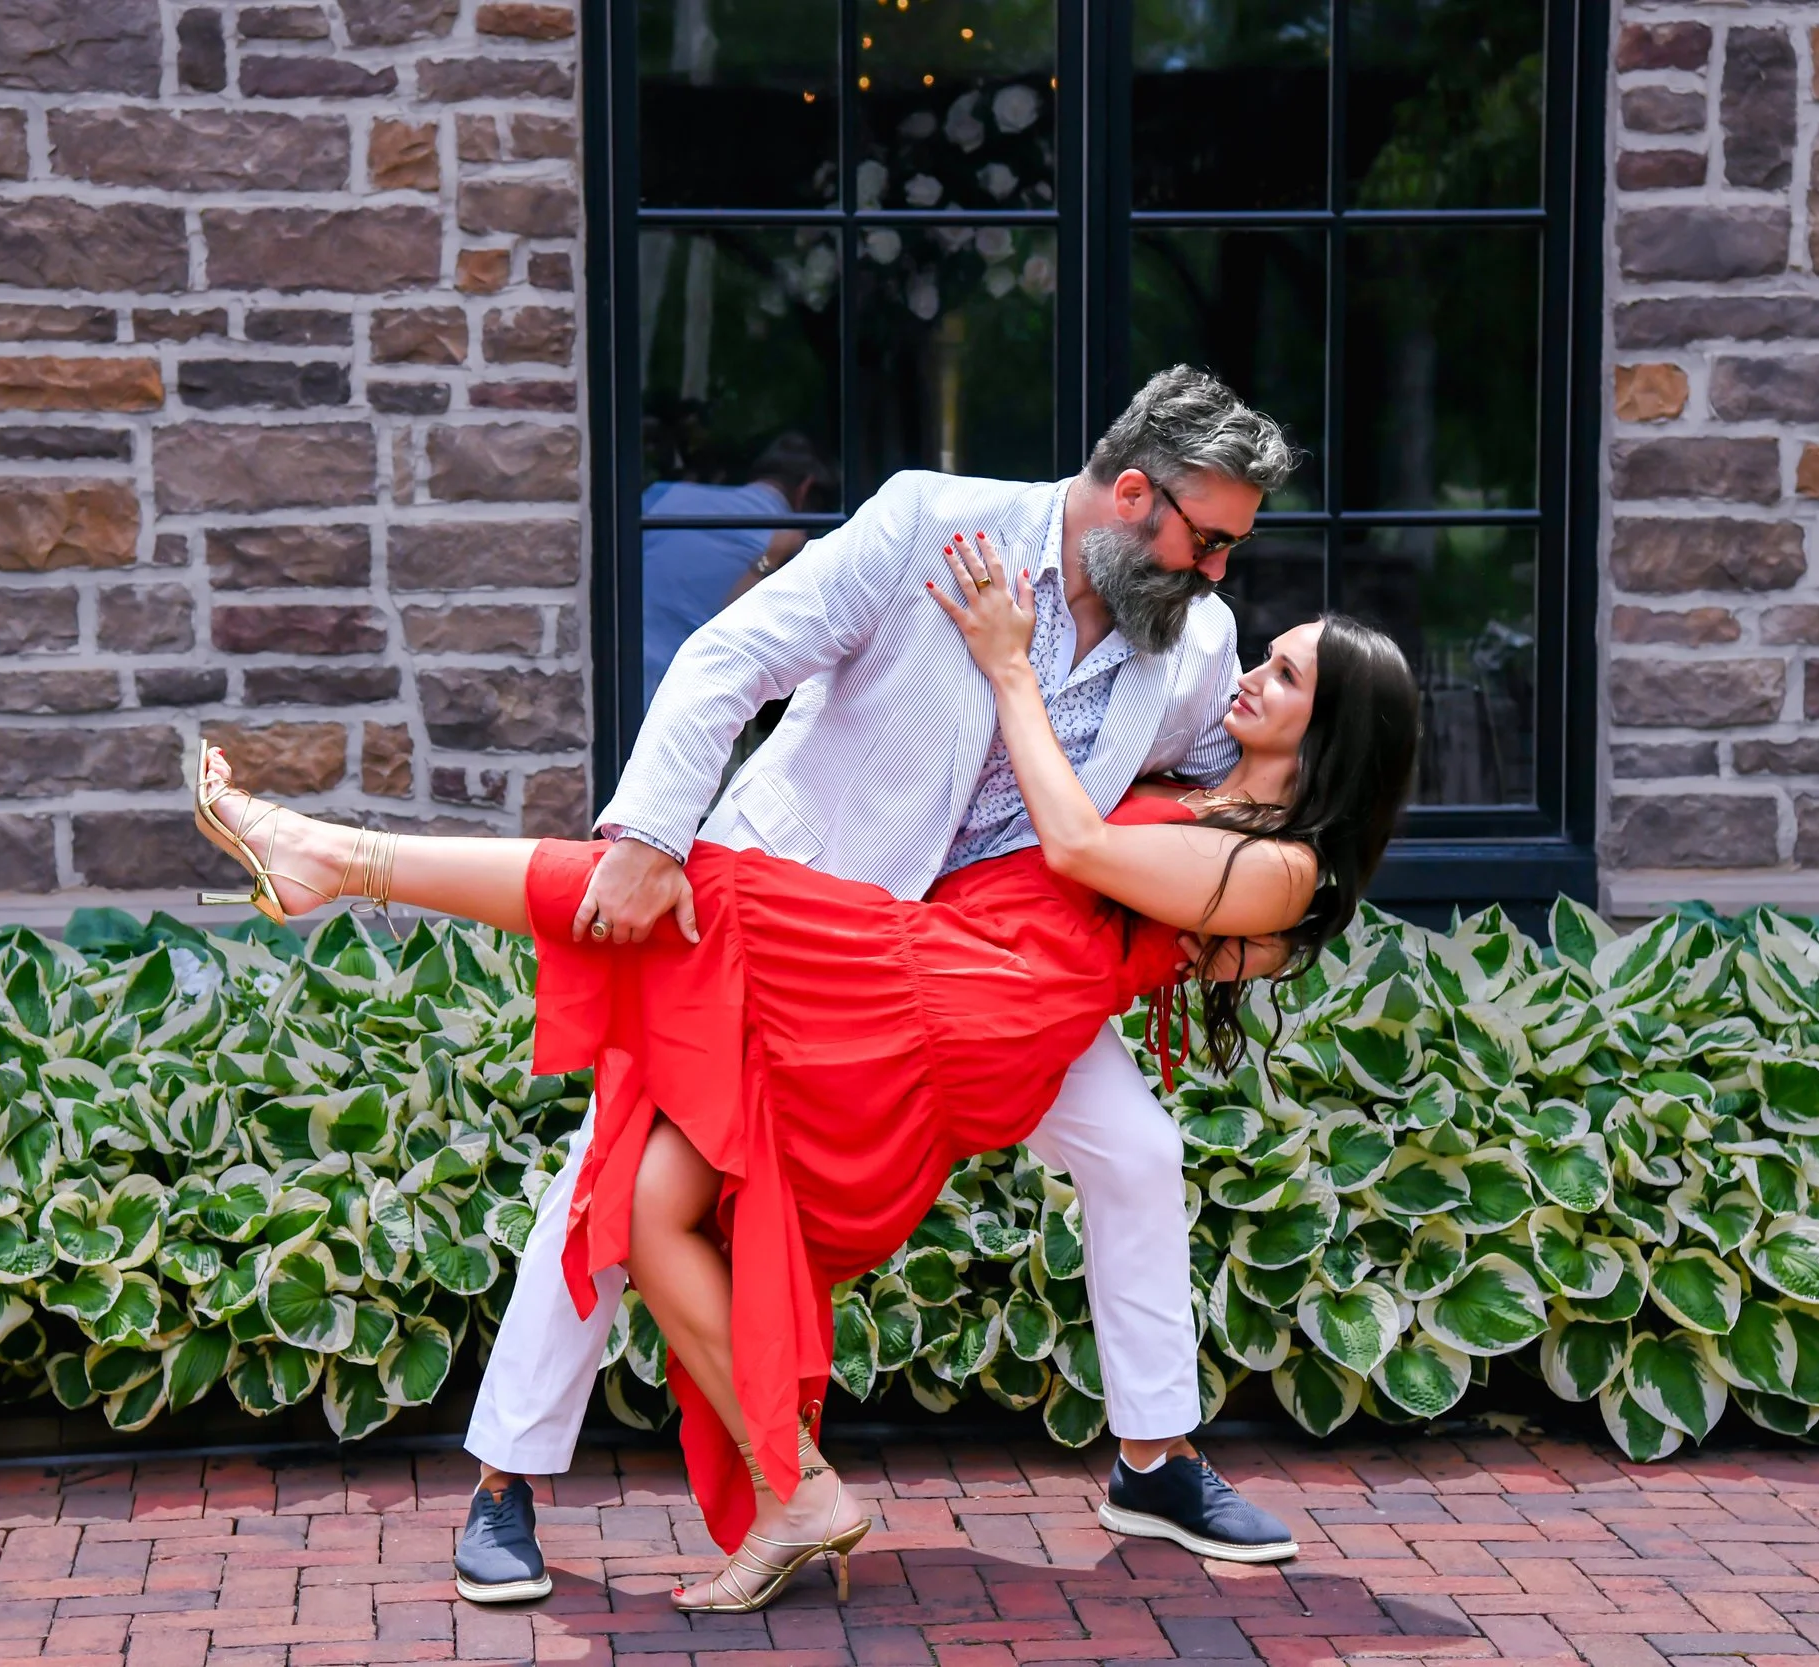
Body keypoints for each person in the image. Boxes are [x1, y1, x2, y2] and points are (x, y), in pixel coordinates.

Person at [189, 578, 1418, 1609]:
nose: (1251, 673)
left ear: (1334, 733)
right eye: (1264, 654)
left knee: (690, 888)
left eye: (1288, 675)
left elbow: (1077, 852)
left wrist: (1007, 667)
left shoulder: (1284, 874)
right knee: (642, 1198)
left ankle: (340, 858)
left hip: (952, 1003)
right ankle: (797, 1491)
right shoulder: (1206, 767)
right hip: (921, 961)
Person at [442, 367, 1308, 1605]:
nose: (1220, 572)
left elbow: (1234, 783)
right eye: (1209, 539)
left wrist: (1287, 890)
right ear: (1130, 494)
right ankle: (504, 1482)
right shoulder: (923, 524)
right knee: (614, 1166)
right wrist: (647, 834)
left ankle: (1154, 1458)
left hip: (988, 977)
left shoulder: (1197, 639)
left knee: (1134, 1146)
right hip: (789, 920)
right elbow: (730, 654)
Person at [641, 433, 839, 703]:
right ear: (805, 489)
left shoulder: (661, 495)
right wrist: (770, 558)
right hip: (672, 698)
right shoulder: (785, 546)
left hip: (613, 672)